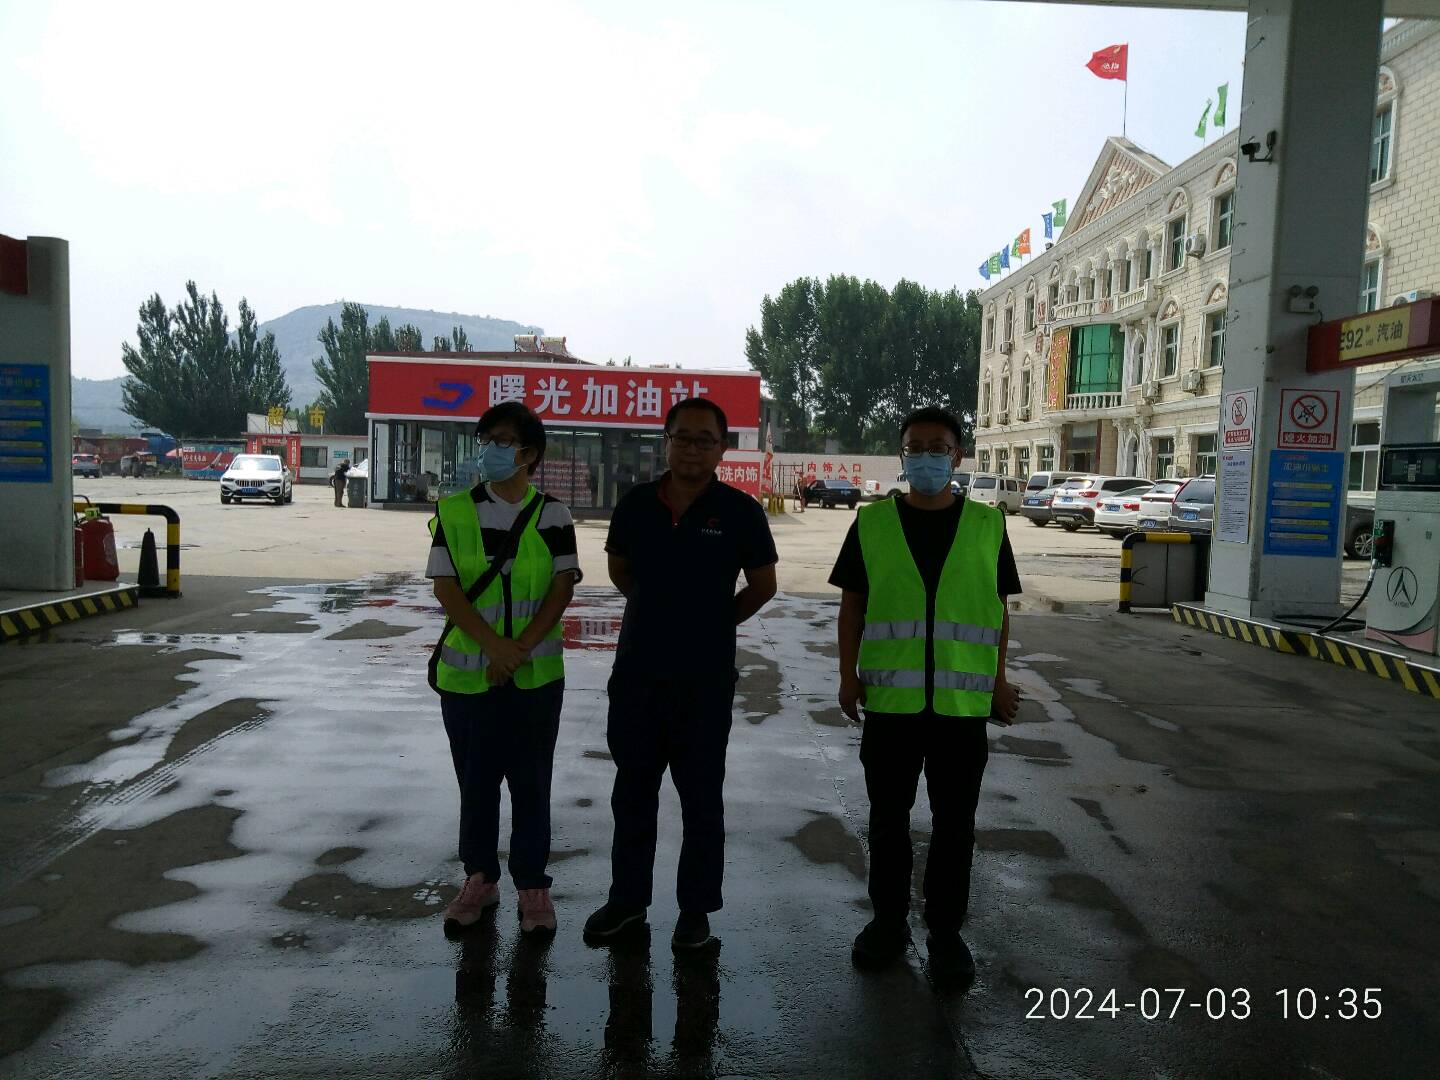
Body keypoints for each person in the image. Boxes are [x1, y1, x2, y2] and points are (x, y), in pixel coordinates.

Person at [829, 406, 1021, 980]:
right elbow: (852, 607)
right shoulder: (872, 524)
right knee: (888, 821)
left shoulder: (988, 525)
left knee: (954, 826)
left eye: (939, 447)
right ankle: (887, 923)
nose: (927, 457)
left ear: (957, 456)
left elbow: (997, 611)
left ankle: (945, 934)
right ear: (902, 454)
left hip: (961, 710)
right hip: (891, 706)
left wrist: (998, 681)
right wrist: (847, 675)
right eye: (916, 447)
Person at [584, 398, 778, 952]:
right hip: (638, 675)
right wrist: (659, 615)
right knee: (633, 793)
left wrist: (713, 623)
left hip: (704, 681)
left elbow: (763, 585)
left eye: (704, 440)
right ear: (665, 441)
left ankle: (695, 911)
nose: (692, 448)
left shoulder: (740, 511)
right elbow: (620, 570)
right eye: (683, 437)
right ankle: (627, 902)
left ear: (722, 449)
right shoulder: (636, 504)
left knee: (701, 799)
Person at [427, 401, 582, 937]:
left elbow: (562, 588)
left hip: (535, 679)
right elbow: (446, 588)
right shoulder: (455, 512)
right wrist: (494, 647)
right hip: (468, 680)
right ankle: (479, 878)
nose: (489, 450)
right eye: (485, 440)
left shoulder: (554, 514)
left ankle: (533, 885)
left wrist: (518, 650)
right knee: (476, 784)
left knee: (532, 783)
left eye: (502, 441)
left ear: (528, 454)